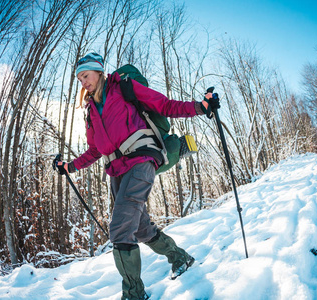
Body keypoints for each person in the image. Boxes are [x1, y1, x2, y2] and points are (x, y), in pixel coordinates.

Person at [55, 52, 220, 300]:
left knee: (121, 229)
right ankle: (180, 258)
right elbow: (94, 150)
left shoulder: (123, 88)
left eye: (85, 75)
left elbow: (164, 105)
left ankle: (134, 294)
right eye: (79, 79)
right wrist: (71, 167)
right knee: (141, 229)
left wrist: (201, 107)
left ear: (99, 72)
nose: (83, 82)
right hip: (116, 172)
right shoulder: (90, 111)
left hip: (141, 160)